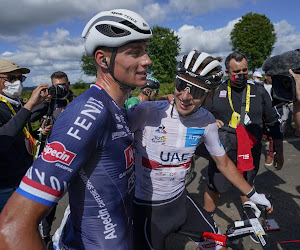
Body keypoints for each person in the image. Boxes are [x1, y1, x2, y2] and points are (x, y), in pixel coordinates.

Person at [0, 9, 152, 250]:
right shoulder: (90, 113)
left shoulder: (114, 106)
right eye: (135, 53)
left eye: (145, 51)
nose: (147, 60)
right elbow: (13, 224)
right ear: (103, 60)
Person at [127, 50, 272, 250]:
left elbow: (223, 162)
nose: (185, 96)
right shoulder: (146, 112)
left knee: (220, 246)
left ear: (209, 94)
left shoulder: (207, 121)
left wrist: (252, 193)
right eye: (180, 85)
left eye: (195, 91)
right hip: (146, 209)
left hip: (180, 202)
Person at [203, 51, 283, 217]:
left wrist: (279, 151)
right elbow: (201, 115)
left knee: (247, 184)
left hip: (251, 150)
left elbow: (273, 121)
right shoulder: (216, 91)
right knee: (215, 187)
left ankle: (250, 219)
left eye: (244, 71)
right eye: (236, 72)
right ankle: (207, 222)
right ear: (227, 73)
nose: (241, 75)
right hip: (223, 151)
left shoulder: (259, 91)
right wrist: (210, 122)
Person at [31, 71, 75, 246]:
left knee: (76, 199)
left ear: (68, 84)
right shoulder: (49, 104)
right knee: (49, 200)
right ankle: (45, 236)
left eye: (62, 86)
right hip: (53, 157)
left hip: (74, 156)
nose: (59, 90)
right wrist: (42, 131)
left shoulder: (76, 101)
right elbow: (29, 121)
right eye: (55, 87)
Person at [0, 59, 49, 213]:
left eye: (20, 78)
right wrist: (29, 105)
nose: (17, 83)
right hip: (5, 185)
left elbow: (20, 133)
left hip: (23, 177)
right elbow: (4, 139)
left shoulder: (15, 104)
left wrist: (39, 131)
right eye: (11, 78)